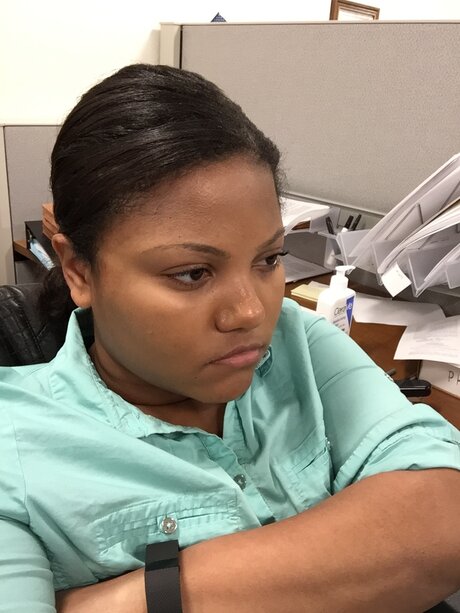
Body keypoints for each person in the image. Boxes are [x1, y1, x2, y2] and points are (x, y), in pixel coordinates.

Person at [0, 64, 459, 613]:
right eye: (192, 273)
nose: (251, 312)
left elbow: (444, 515)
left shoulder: (299, 343)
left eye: (268, 259)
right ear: (78, 270)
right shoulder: (15, 445)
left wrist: (122, 600)